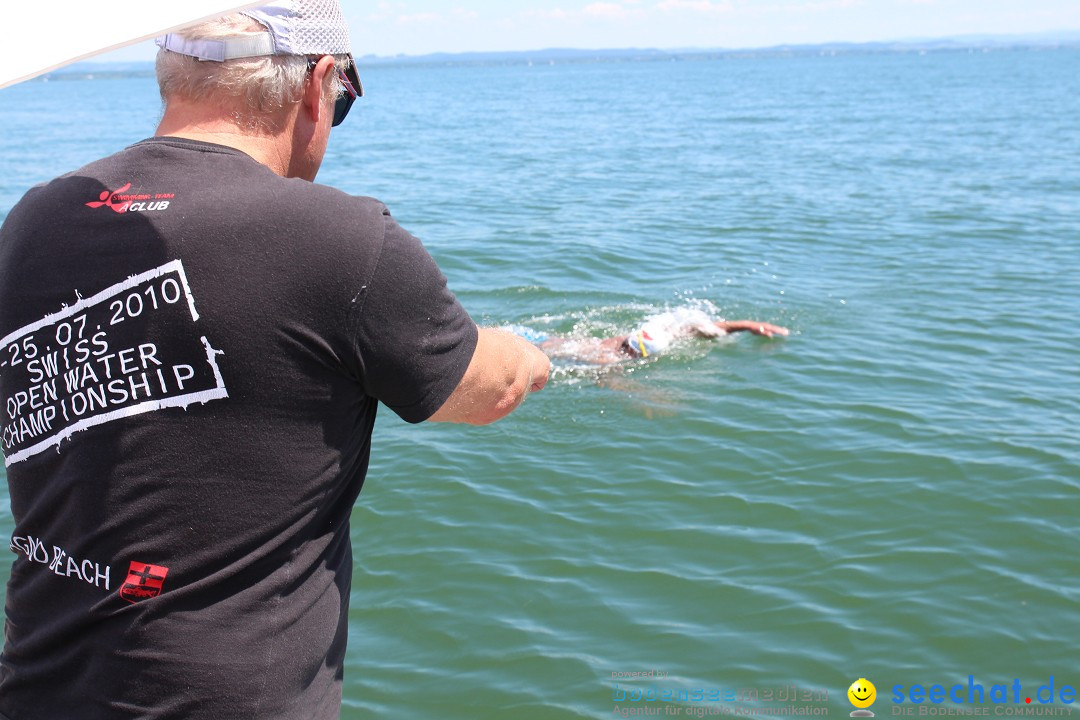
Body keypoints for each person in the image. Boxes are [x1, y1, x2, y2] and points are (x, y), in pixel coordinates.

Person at [0, 2, 548, 718]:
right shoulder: (341, 240)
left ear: (175, 71)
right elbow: (488, 391)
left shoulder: (35, 218)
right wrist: (534, 355)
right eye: (342, 103)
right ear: (317, 83)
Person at [508, 307, 790, 364]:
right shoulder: (608, 357)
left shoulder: (662, 333)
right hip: (536, 346)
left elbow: (702, 328)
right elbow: (607, 383)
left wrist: (750, 325)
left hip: (536, 337)